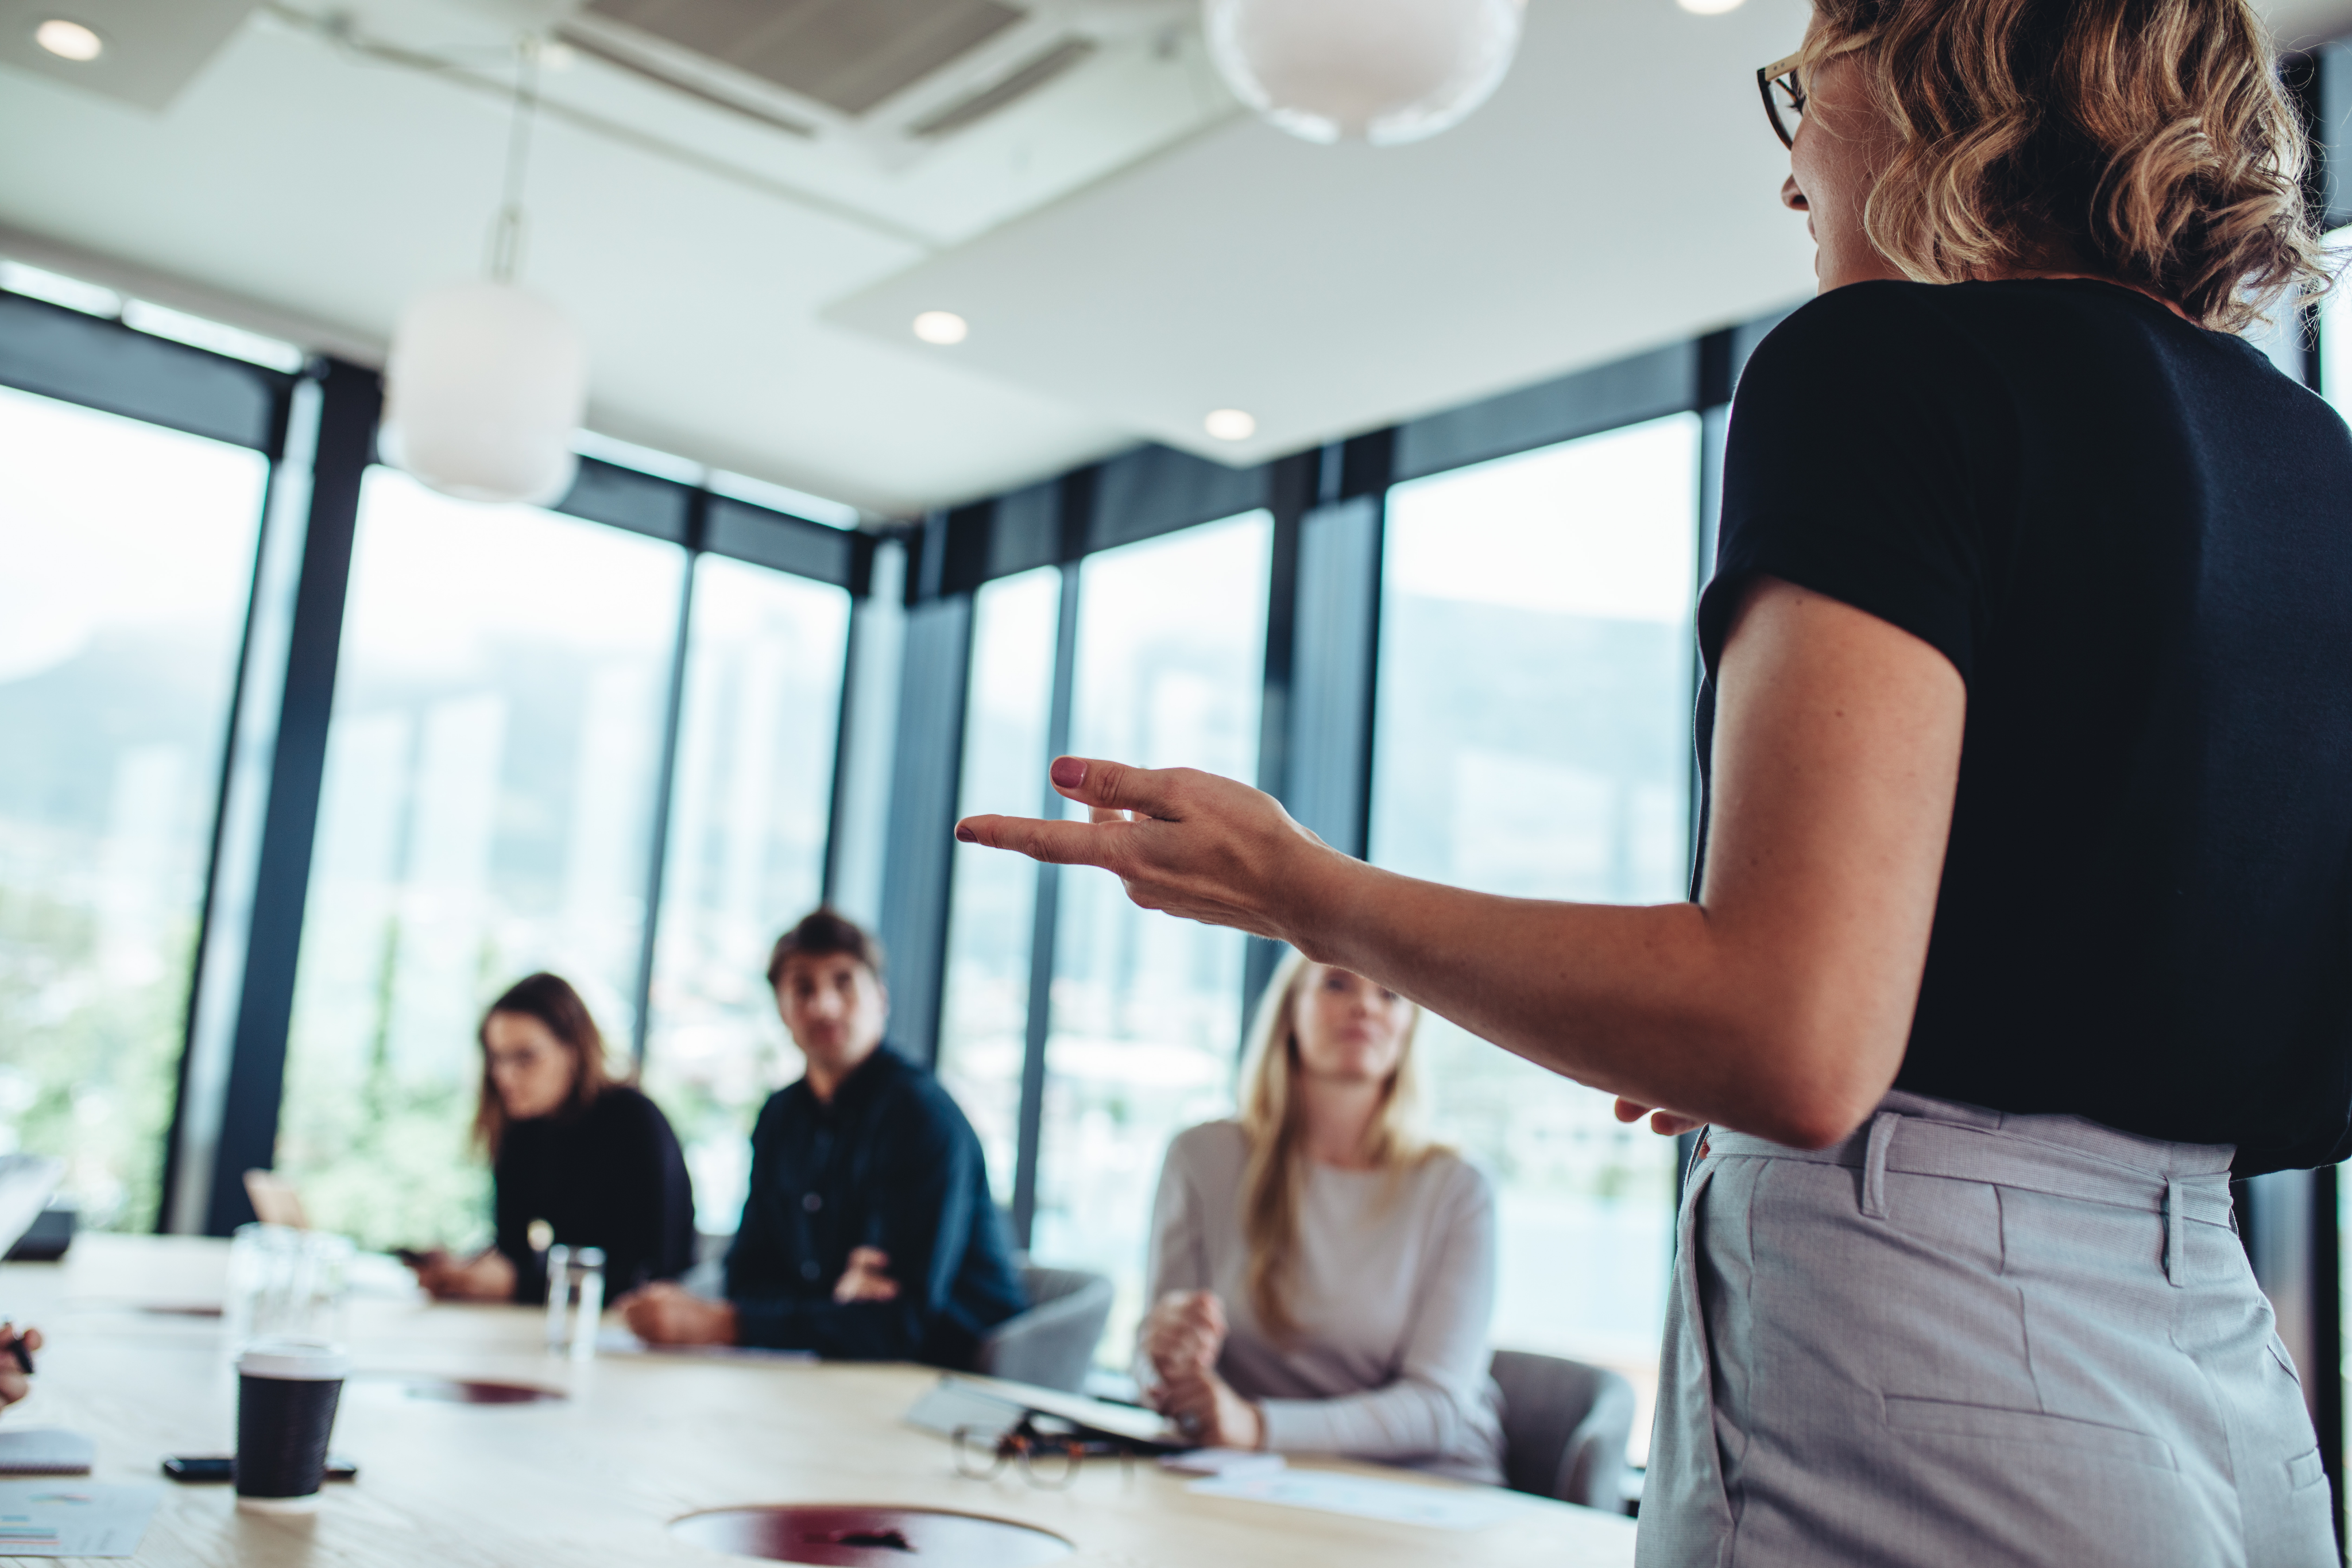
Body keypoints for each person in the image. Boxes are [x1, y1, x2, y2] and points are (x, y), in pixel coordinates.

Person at [957, 0, 2350, 1561]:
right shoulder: (2312, 458)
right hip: (2233, 1372)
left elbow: (1795, 1039)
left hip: (1934, 1328)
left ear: (1927, 69)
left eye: (1797, 92)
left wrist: (1305, 891)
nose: (1790, 175)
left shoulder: (1880, 367)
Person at [1139, 953, 1504, 1483]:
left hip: (1424, 1481)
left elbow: (1437, 1408)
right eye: (1336, 984)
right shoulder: (1201, 1156)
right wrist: (1163, 1361)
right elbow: (1154, 1359)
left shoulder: (1458, 1187)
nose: (1364, 1007)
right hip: (1249, 1475)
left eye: (1390, 993)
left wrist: (1259, 1426)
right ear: (1288, 1013)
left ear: (1408, 1028)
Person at [620, 910, 1026, 1364]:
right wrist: (832, 1301)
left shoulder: (922, 1117)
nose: (824, 1005)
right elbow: (748, 1275)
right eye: (803, 988)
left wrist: (726, 1323)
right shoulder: (781, 1115)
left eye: (843, 982)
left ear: (881, 997)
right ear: (781, 1008)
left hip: (953, 1378)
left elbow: (901, 1322)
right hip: (834, 1366)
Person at [408, 973, 695, 1304]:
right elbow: (513, 1250)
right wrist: (468, 1272)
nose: (504, 1076)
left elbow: (651, 1272)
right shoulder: (522, 1129)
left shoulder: (634, 1121)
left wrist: (516, 1286)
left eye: (525, 1057)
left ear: (573, 1048)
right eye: (496, 1058)